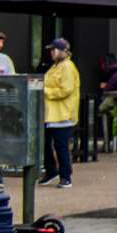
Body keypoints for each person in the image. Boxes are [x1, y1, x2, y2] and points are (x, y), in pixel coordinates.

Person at [42, 38, 79, 188]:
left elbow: (66, 89)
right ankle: (51, 171)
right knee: (46, 144)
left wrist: (45, 91)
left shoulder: (68, 67)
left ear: (62, 51)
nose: (51, 53)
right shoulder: (56, 67)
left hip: (63, 115)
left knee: (61, 146)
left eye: (53, 50)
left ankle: (66, 176)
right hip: (52, 115)